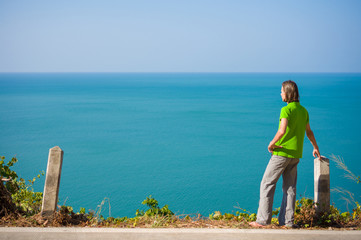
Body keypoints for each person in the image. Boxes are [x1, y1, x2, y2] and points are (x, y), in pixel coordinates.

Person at [249, 80, 320, 228]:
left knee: (267, 183)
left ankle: (263, 220)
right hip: (295, 155)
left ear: (287, 93)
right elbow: (309, 132)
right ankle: (287, 222)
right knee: (290, 188)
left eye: (281, 91)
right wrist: (315, 147)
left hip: (282, 153)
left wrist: (271, 143)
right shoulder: (303, 111)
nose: (280, 93)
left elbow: (282, 131)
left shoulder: (286, 110)